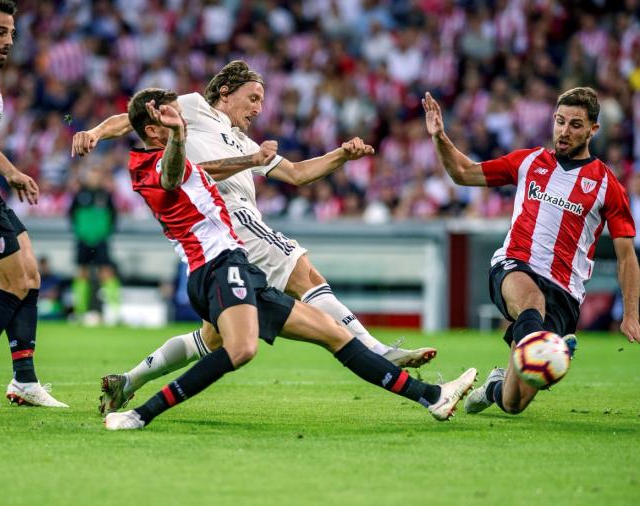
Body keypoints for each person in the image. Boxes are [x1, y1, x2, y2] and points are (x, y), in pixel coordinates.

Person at [72, 61, 435, 412]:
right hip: (227, 218)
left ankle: (128, 381)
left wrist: (341, 154)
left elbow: (297, 174)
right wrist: (95, 133)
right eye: (254, 97)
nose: (259, 108)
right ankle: (375, 350)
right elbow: (135, 119)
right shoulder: (196, 108)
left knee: (213, 339)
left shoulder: (245, 142)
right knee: (304, 273)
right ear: (225, 93)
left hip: (218, 239)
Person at [422, 87, 640, 416]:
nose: (565, 131)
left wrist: (631, 314)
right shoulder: (528, 161)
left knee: (513, 403)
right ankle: (549, 350)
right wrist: (440, 136)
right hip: (515, 266)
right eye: (560, 121)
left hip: (564, 292)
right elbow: (463, 173)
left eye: (576, 124)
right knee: (531, 300)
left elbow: (627, 257)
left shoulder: (608, 186)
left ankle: (497, 383)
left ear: (593, 130)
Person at [0, 1, 66, 408]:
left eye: (11, 34)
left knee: (30, 274)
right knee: (11, 281)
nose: (8, 41)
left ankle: (24, 380)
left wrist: (11, 171)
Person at [69, 163, 120, 325]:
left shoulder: (106, 195)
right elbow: (71, 215)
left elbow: (113, 216)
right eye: (92, 174)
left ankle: (114, 312)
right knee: (82, 272)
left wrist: (103, 232)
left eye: (97, 174)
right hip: (83, 239)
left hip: (101, 240)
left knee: (105, 271)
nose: (94, 177)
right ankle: (80, 311)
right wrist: (81, 232)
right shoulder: (80, 194)